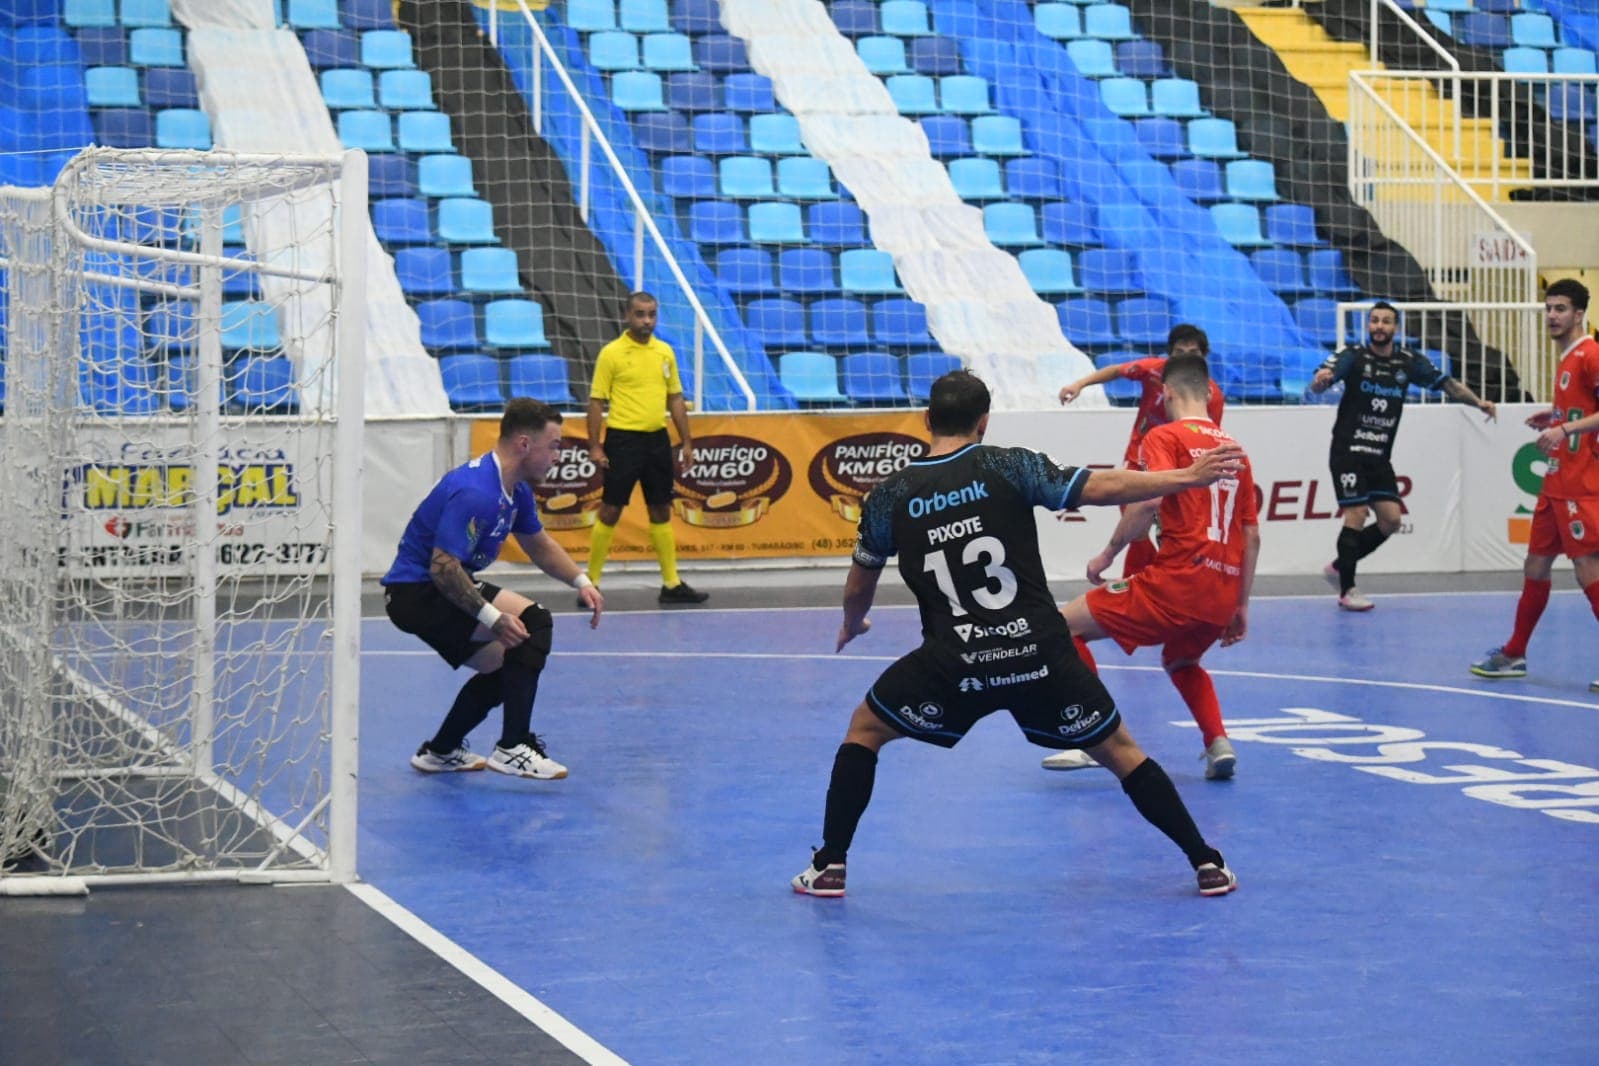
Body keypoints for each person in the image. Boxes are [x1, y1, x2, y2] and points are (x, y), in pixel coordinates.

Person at [792, 370, 1243, 901]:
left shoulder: (891, 495)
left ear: (927, 421)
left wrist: (853, 622)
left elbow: (858, 584)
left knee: (865, 731)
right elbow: (1102, 487)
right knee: (1120, 750)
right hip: (1038, 654)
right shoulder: (1009, 465)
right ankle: (1206, 862)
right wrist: (1184, 478)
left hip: (954, 662)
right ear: (984, 422)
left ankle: (830, 866)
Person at [1039, 354, 1259, 780]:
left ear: (1167, 392)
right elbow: (1251, 535)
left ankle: (1093, 737)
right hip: (1222, 593)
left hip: (1179, 582)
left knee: (1061, 626)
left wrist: (1107, 554)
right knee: (1182, 659)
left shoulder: (1163, 436)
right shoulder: (1237, 452)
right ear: (1210, 394)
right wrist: (1241, 605)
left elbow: (1148, 501)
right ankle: (1218, 743)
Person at [382, 399, 604, 780]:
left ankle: (441, 751)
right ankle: (513, 745)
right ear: (523, 444)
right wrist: (492, 617)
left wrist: (581, 582)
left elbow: (539, 544)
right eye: (553, 446)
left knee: (512, 662)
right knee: (532, 624)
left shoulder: (512, 489)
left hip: (438, 585)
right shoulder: (477, 492)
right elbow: (443, 567)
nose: (557, 456)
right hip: (418, 594)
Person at [1310, 301, 1497, 610]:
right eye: (1374, 321)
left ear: (1395, 328)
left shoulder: (1409, 362)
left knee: (1391, 520)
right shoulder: (1353, 357)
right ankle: (1347, 590)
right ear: (1368, 325)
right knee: (1356, 515)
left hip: (1379, 456)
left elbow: (1447, 385)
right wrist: (1320, 382)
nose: (1379, 327)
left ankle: (1340, 566)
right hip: (1348, 451)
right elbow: (1322, 378)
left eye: (1386, 322)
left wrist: (1478, 403)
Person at [1471, 279, 1599, 692]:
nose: (1551, 316)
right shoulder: (1566, 358)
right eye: (1548, 308)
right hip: (1555, 481)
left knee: (1586, 570)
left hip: (1581, 484)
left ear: (1579, 314)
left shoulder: (1590, 354)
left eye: (1560, 309)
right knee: (1536, 565)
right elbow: (1582, 410)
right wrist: (1556, 416)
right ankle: (1514, 652)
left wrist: (1565, 429)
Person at [1056, 324, 1225, 578]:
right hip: (1141, 456)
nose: (1186, 357)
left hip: (1179, 468)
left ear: (1203, 356)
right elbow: (1116, 370)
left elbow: (1207, 438)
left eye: (1193, 352)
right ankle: (1140, 578)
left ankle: (1155, 577)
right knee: (1135, 515)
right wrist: (1079, 384)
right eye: (1179, 351)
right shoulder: (1153, 370)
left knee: (1167, 526)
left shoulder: (1213, 396)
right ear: (1169, 354)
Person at [584, 291, 708, 605]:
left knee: (661, 508)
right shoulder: (611, 354)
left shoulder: (665, 352)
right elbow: (596, 402)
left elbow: (676, 398)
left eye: (652, 314)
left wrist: (687, 442)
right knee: (611, 508)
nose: (646, 320)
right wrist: (596, 446)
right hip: (622, 440)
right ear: (627, 315)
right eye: (640, 314)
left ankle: (671, 583)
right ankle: (591, 583)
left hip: (657, 441)